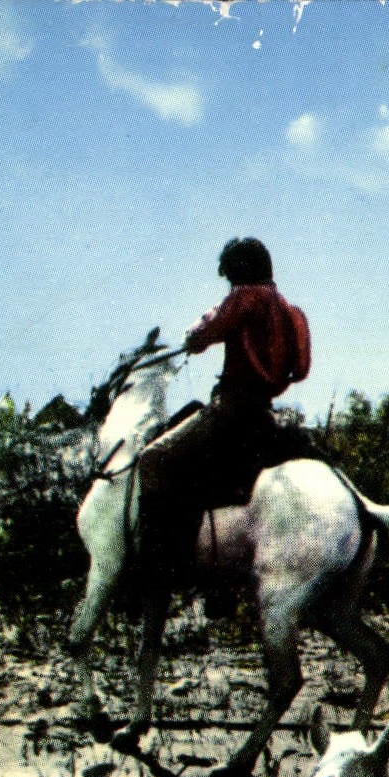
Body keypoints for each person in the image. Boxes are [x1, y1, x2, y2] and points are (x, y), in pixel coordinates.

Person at [136, 237, 311, 599]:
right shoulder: (292, 312)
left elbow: (203, 338)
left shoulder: (244, 297)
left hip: (231, 409)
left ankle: (158, 570)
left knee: (153, 460)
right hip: (265, 413)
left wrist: (197, 331)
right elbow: (301, 370)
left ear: (238, 270)